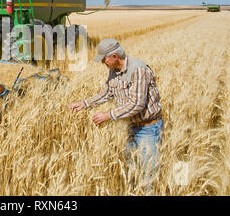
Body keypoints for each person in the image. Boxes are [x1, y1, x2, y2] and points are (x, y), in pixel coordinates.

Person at [68, 38, 163, 183]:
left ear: (114, 56)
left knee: (147, 176)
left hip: (148, 129)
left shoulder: (138, 69)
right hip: (131, 127)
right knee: (132, 173)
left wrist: (108, 115)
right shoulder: (114, 70)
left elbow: (137, 104)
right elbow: (107, 93)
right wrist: (85, 103)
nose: (102, 63)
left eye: (103, 59)